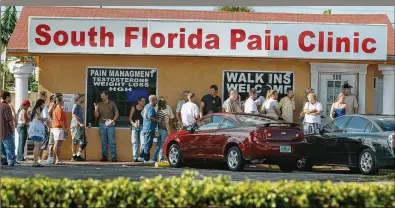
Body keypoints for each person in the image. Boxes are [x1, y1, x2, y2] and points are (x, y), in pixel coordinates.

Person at [94, 90, 119, 162]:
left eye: (103, 96)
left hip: (110, 124)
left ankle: (114, 157)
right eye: (101, 96)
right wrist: (95, 109)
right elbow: (96, 116)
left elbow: (117, 114)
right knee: (103, 141)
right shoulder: (99, 104)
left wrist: (113, 121)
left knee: (112, 141)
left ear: (107, 96)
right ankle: (104, 156)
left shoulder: (112, 103)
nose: (101, 97)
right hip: (102, 124)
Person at [152, 97, 173, 162]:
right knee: (162, 145)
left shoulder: (158, 112)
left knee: (158, 145)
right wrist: (169, 133)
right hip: (164, 130)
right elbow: (167, 124)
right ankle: (161, 159)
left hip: (159, 130)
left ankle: (154, 158)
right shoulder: (165, 113)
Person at [28, 99, 48, 167]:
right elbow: (38, 117)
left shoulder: (36, 108)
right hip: (37, 130)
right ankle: (35, 162)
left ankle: (36, 162)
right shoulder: (37, 108)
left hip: (37, 130)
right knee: (37, 146)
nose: (43, 106)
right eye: (43, 104)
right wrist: (45, 119)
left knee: (38, 146)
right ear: (40, 104)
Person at [0, 91, 17, 166]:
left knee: (2, 148)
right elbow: (9, 119)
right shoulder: (6, 106)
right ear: (7, 97)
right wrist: (13, 129)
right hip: (6, 130)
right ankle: (11, 161)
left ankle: (4, 161)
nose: (11, 98)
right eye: (10, 96)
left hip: (1, 131)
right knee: (10, 147)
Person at [141, 95, 158, 164]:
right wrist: (157, 120)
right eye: (156, 100)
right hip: (149, 128)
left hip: (146, 127)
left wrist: (145, 120)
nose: (156, 102)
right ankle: (146, 159)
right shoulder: (151, 107)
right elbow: (150, 117)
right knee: (148, 144)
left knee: (146, 144)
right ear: (152, 100)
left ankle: (141, 157)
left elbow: (142, 113)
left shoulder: (146, 106)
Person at [51, 96, 68, 165]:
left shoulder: (58, 109)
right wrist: (64, 130)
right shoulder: (59, 110)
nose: (63, 102)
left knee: (58, 144)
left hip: (57, 128)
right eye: (62, 101)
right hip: (58, 128)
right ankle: (56, 159)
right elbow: (61, 121)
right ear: (59, 102)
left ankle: (56, 159)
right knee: (57, 144)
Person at [70, 94, 87, 162]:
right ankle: (74, 156)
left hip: (80, 126)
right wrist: (80, 123)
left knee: (84, 142)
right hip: (76, 126)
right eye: (82, 97)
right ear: (78, 98)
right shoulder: (76, 106)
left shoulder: (80, 106)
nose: (83, 99)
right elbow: (74, 115)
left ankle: (78, 155)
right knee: (75, 141)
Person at [129, 96, 146, 162]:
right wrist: (133, 124)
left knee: (143, 141)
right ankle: (135, 157)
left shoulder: (145, 108)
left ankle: (141, 156)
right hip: (134, 125)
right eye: (142, 101)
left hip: (142, 126)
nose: (144, 102)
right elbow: (130, 118)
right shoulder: (134, 108)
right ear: (139, 101)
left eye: (144, 101)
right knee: (134, 142)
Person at [37, 91, 50, 163]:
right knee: (43, 142)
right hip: (44, 125)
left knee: (42, 142)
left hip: (41, 125)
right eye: (45, 96)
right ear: (42, 96)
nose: (46, 97)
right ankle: (40, 158)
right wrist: (48, 126)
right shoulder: (43, 106)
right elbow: (45, 117)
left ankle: (40, 158)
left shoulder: (39, 105)